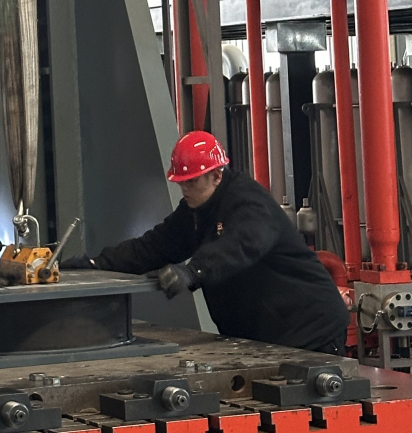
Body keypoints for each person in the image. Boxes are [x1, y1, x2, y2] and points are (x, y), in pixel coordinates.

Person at [64, 132, 350, 355]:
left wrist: (193, 271)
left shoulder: (249, 203)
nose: (184, 188)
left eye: (191, 181)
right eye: (181, 182)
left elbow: (240, 245)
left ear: (216, 175)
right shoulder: (196, 211)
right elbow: (154, 246)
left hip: (311, 332)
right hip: (266, 338)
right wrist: (96, 264)